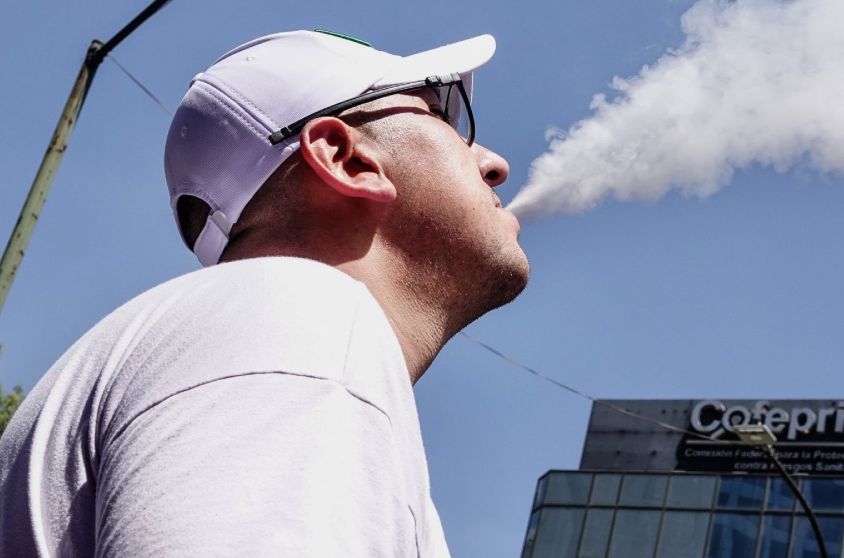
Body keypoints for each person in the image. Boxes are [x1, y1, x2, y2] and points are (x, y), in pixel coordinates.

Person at [0, 30, 529, 556]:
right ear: (349, 160)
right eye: (442, 116)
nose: (494, 162)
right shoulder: (301, 316)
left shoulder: (260, 333)